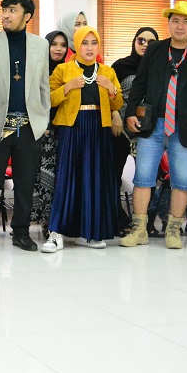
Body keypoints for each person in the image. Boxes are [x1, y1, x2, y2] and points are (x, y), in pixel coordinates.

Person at [121, 1, 187, 249]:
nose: (180, 26)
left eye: (186, 21)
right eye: (175, 21)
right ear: (168, 24)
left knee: (182, 180)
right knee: (143, 177)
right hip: (153, 124)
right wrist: (130, 113)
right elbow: (140, 84)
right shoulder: (155, 50)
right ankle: (139, 230)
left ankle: (173, 231)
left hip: (186, 126)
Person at [0, 0, 50, 252]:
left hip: (29, 124)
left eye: (12, 10)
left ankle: (21, 232)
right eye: (4, 9)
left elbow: (43, 86)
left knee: (25, 182)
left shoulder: (40, 45)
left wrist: (43, 119)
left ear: (27, 16)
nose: (6, 15)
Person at [42, 26, 123, 251]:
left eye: (93, 43)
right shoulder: (64, 69)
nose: (89, 48)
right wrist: (67, 88)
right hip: (71, 127)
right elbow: (48, 99)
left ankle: (91, 233)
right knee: (66, 178)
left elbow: (117, 104)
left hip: (99, 129)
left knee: (94, 178)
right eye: (84, 43)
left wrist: (112, 90)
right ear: (76, 45)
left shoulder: (107, 72)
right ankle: (56, 234)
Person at [110, 26, 159, 230]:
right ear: (134, 41)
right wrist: (115, 115)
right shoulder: (121, 66)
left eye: (151, 42)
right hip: (119, 130)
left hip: (148, 132)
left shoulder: (160, 68)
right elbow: (109, 94)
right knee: (112, 176)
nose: (145, 45)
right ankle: (117, 221)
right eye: (141, 40)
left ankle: (146, 223)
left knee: (148, 178)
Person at [30, 30, 69, 236]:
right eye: (54, 44)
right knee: (44, 177)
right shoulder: (38, 69)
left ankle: (58, 221)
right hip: (43, 131)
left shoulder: (69, 71)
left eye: (63, 45)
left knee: (61, 177)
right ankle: (46, 222)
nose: (58, 49)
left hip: (65, 131)